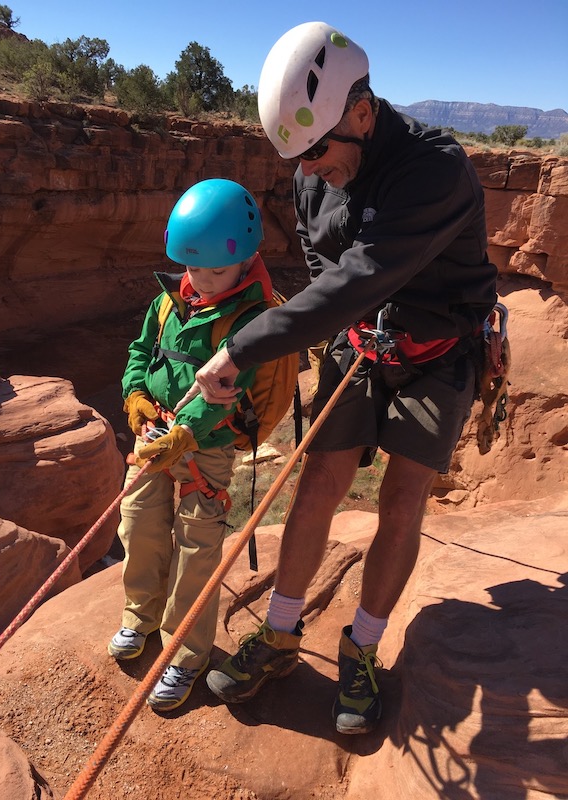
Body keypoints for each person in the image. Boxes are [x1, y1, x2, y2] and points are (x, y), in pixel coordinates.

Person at [181, 22, 499, 734]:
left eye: (318, 152)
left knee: (400, 496)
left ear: (362, 110)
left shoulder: (434, 170)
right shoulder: (312, 170)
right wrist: (342, 330)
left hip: (440, 348)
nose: (309, 169)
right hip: (363, 341)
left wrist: (242, 349)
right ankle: (283, 634)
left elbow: (359, 276)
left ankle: (361, 645)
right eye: (297, 157)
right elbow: (328, 269)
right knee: (319, 478)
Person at [108, 178, 274, 712]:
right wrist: (135, 397)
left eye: (214, 271)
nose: (200, 280)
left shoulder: (251, 319)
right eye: (192, 268)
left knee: (197, 548)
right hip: (155, 435)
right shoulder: (167, 300)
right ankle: (141, 617)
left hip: (206, 449)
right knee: (136, 522)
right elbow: (141, 350)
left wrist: (185, 434)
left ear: (246, 260)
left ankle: (184, 652)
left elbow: (230, 389)